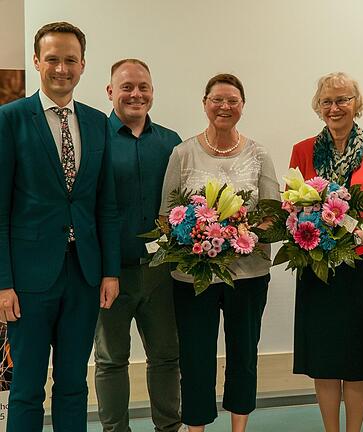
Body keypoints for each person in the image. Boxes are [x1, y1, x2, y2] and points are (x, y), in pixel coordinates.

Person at [0, 21, 121, 431]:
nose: (61, 68)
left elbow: (106, 205)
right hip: (29, 280)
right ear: (37, 61)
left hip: (84, 275)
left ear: (83, 65)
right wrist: (2, 283)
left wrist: (110, 271)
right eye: (52, 59)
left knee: (73, 385)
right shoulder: (10, 119)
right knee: (27, 389)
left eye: (71, 59)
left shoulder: (96, 122)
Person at [159, 73, 279, 432]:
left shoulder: (259, 154)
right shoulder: (182, 152)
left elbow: (273, 216)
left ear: (242, 106)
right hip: (193, 276)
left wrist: (234, 235)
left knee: (243, 354)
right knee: (196, 357)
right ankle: (196, 426)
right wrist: (198, 237)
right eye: (217, 99)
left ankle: (238, 427)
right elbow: (167, 216)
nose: (224, 106)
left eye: (232, 100)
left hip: (249, 274)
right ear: (205, 103)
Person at [289, 72, 363, 432]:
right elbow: (292, 204)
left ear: (357, 104)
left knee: (356, 355)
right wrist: (315, 233)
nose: (335, 108)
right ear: (319, 107)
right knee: (324, 355)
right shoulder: (303, 150)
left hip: (360, 266)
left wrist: (351, 235)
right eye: (328, 101)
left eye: (343, 100)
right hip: (317, 265)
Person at [95, 58, 182, 432]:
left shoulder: (171, 143)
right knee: (111, 360)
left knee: (166, 358)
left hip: (161, 273)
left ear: (152, 92)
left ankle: (168, 427)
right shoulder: (94, 138)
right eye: (127, 87)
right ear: (110, 91)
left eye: (143, 87)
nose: (136, 94)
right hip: (109, 274)